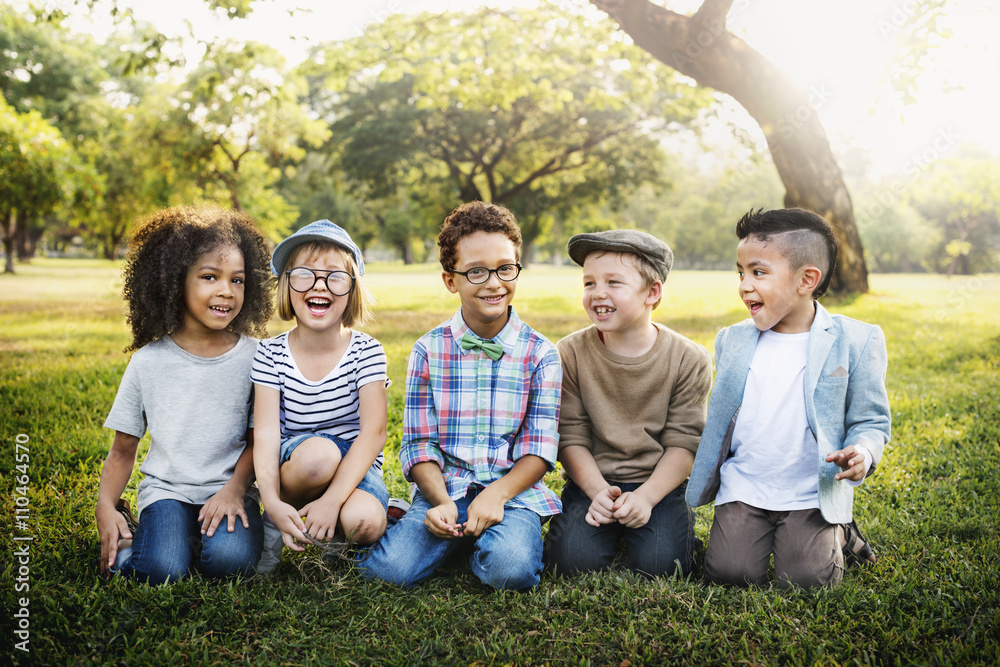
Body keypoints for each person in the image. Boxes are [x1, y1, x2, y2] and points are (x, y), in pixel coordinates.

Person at [360, 201, 562, 591]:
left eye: (505, 268)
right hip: (445, 490)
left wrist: (496, 497)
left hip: (512, 495)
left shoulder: (540, 353)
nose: (494, 283)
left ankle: (487, 542)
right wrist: (440, 502)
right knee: (387, 573)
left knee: (510, 571)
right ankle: (431, 528)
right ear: (450, 280)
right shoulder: (427, 351)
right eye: (476, 271)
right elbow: (419, 444)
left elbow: (539, 450)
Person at [687, 208, 891, 588]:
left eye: (758, 272)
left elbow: (871, 420)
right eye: (741, 272)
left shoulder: (857, 340)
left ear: (806, 279)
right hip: (746, 484)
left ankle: (841, 530)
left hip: (809, 490)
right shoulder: (731, 339)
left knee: (808, 581)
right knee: (730, 575)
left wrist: (863, 451)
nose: (745, 285)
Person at [95, 205, 274, 583]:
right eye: (210, 276)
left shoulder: (258, 357)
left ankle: (191, 541)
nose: (226, 290)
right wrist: (105, 508)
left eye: (237, 280)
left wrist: (235, 489)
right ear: (176, 281)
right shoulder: (149, 361)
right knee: (159, 572)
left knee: (230, 566)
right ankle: (137, 539)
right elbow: (123, 448)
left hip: (230, 488)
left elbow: (261, 439)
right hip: (167, 492)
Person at [543, 230, 713, 578]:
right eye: (589, 283)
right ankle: (609, 525)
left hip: (659, 483)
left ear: (652, 292)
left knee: (662, 566)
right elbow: (570, 435)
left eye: (614, 282)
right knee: (572, 563)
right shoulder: (570, 353)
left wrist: (648, 497)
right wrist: (596, 491)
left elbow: (684, 442)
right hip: (592, 481)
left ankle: (668, 526)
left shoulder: (689, 358)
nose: (597, 293)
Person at [251, 220, 390, 573]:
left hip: (354, 468)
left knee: (367, 523)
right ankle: (277, 521)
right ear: (287, 284)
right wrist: (270, 500)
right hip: (298, 466)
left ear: (352, 289)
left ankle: (334, 531)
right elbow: (265, 433)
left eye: (335, 276)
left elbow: (373, 433)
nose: (319, 286)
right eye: (304, 274)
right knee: (318, 457)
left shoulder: (367, 351)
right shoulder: (269, 354)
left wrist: (331, 501)